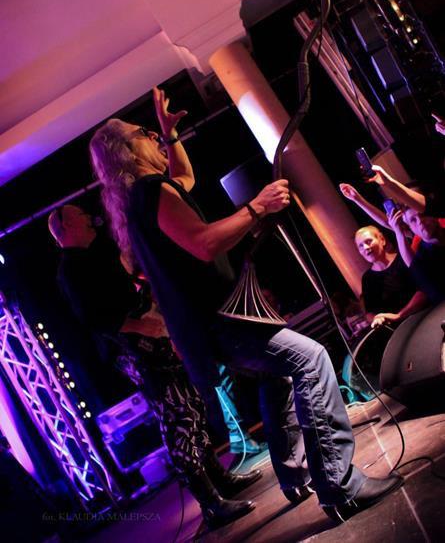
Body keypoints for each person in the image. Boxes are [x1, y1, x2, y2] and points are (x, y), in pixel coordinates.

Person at [89, 86, 404, 524]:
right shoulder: (149, 192)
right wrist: (257, 206)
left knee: (277, 376)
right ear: (127, 152)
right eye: (144, 133)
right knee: (311, 360)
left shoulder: (143, 200)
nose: (154, 137)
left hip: (209, 324)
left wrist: (169, 132)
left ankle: (294, 474)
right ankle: (339, 485)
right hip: (219, 320)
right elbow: (203, 243)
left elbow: (185, 178)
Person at [48, 203, 262, 529]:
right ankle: (210, 502)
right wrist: (140, 326)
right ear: (65, 226)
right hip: (135, 350)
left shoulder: (96, 253)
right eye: (79, 213)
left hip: (151, 340)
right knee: (177, 415)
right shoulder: (71, 269)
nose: (88, 216)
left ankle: (220, 480)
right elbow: (94, 318)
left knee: (191, 404)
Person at [354, 225, 428, 328]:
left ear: (382, 240)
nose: (366, 248)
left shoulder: (404, 258)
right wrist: (377, 318)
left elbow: (424, 289)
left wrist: (399, 315)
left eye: (368, 241)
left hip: (425, 318)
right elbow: (369, 312)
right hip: (400, 330)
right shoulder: (367, 278)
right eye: (361, 246)